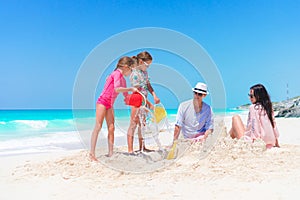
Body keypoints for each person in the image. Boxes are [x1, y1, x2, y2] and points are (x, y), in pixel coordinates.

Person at [89, 56, 136, 161]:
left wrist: (136, 101)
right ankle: (92, 153)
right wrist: (130, 88)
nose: (131, 71)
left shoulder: (123, 79)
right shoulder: (116, 74)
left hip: (110, 105)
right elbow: (117, 88)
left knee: (111, 128)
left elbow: (125, 95)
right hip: (102, 102)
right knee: (98, 126)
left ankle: (111, 153)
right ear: (125, 67)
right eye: (131, 69)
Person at [126, 51, 160, 153]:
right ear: (141, 61)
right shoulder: (135, 74)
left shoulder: (145, 72)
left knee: (142, 124)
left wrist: (154, 95)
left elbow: (148, 85)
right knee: (133, 124)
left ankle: (142, 147)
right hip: (136, 100)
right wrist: (148, 103)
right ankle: (130, 149)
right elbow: (136, 91)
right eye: (147, 65)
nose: (148, 67)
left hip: (144, 100)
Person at [229, 84, 280, 149]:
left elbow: (254, 126)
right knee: (243, 126)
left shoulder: (253, 107)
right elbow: (274, 126)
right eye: (249, 95)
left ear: (258, 96)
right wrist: (276, 143)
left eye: (251, 96)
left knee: (235, 118)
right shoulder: (268, 107)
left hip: (255, 143)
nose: (249, 98)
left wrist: (254, 143)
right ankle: (226, 140)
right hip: (269, 143)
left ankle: (224, 143)